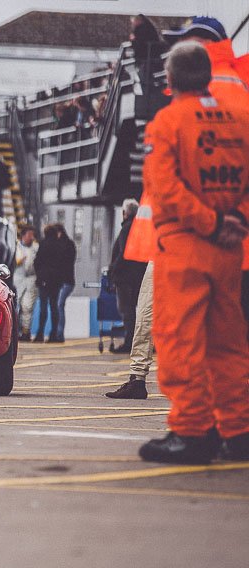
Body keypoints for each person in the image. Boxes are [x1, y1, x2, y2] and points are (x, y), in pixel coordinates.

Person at [138, 41, 249, 464]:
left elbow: (166, 191)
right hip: (229, 250)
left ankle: (191, 431)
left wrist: (210, 223)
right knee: (228, 343)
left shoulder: (167, 123)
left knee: (179, 340)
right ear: (207, 76)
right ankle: (238, 432)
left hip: (185, 246)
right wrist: (234, 220)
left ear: (170, 81)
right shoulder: (241, 120)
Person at [105, 197, 157, 400]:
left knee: (144, 316)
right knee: (144, 317)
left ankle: (137, 379)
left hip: (169, 253)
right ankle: (137, 379)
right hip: (164, 255)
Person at [107, 199, 147, 354]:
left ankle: (129, 342)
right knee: (137, 309)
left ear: (124, 213)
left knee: (126, 309)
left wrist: (113, 272)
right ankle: (138, 341)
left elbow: (123, 253)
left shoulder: (126, 228)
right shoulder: (141, 228)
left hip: (125, 277)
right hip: (138, 275)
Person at [33, 223, 75, 343]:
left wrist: (40, 275)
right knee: (54, 307)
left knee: (43, 307)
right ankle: (53, 334)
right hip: (56, 281)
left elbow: (37, 261)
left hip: (43, 280)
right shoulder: (61, 246)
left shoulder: (43, 244)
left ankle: (40, 333)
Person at [14, 225, 38, 341]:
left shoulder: (36, 247)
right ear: (23, 235)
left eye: (32, 235)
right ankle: (13, 331)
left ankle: (25, 332)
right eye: (29, 235)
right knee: (14, 306)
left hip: (31, 280)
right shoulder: (15, 246)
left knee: (27, 307)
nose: (32, 237)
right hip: (17, 279)